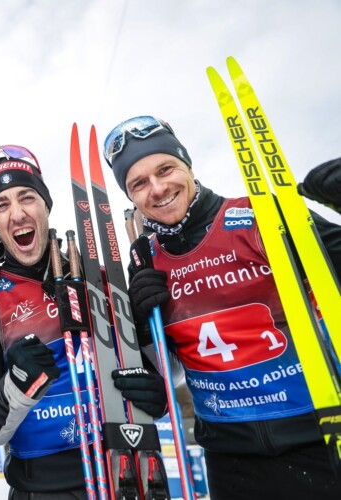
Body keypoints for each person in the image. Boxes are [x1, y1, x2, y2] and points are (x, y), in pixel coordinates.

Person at [103, 115, 341, 499]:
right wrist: (144, 334)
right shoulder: (146, 260)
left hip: (320, 438)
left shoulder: (259, 218)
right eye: (139, 184)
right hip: (229, 460)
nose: (158, 189)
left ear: (188, 165)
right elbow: (168, 368)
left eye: (165, 169)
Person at [0, 145, 167, 499]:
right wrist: (16, 384)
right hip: (43, 488)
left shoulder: (99, 279)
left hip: (124, 473)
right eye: (1, 205)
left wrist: (155, 388)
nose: (17, 214)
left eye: (27, 198)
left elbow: (149, 371)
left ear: (46, 205)